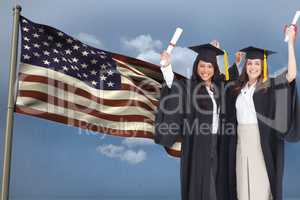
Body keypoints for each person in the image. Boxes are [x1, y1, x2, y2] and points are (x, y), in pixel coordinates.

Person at [225, 25, 300, 200]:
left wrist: (290, 44)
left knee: (260, 189)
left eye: (257, 64)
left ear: (263, 66)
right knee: (243, 189)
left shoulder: (269, 86)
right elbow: (221, 84)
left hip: (260, 142)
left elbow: (291, 75)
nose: (253, 67)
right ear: (246, 66)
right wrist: (234, 62)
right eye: (250, 63)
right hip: (240, 144)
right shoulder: (238, 88)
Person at [154, 41, 235, 200]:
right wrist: (166, 66)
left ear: (214, 69)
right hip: (198, 143)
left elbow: (229, 83)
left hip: (217, 142)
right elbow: (174, 86)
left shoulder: (217, 87)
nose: (205, 70)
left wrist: (218, 52)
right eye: (202, 66)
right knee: (202, 184)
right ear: (196, 67)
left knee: (217, 182)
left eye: (210, 66)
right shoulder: (190, 87)